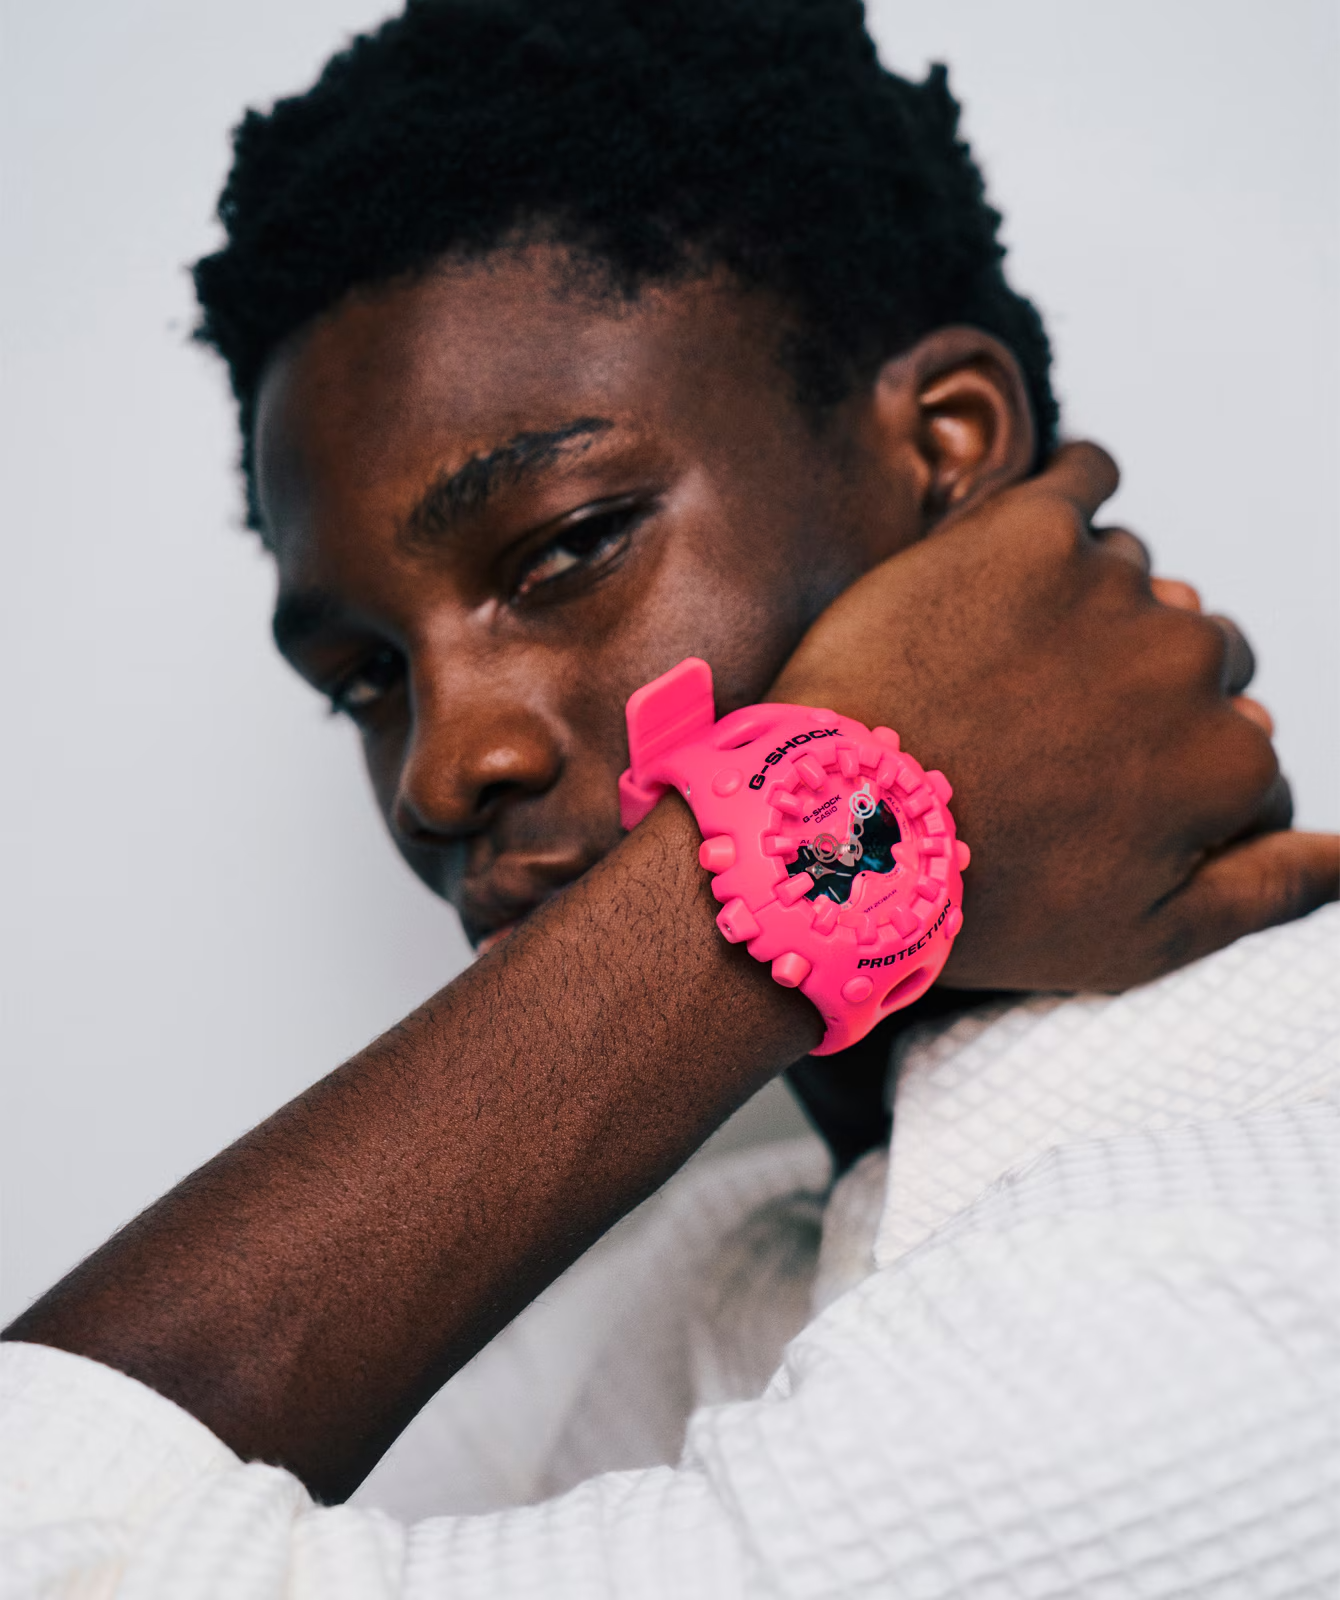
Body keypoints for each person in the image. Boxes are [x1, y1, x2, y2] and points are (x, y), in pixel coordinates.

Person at [2, 2, 1336, 1594]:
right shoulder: (700, 1276)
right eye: (366, 679)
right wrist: (836, 824)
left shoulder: (1233, 1250)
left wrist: (798, 849)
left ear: (949, 452)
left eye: (569, 546)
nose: (440, 771)